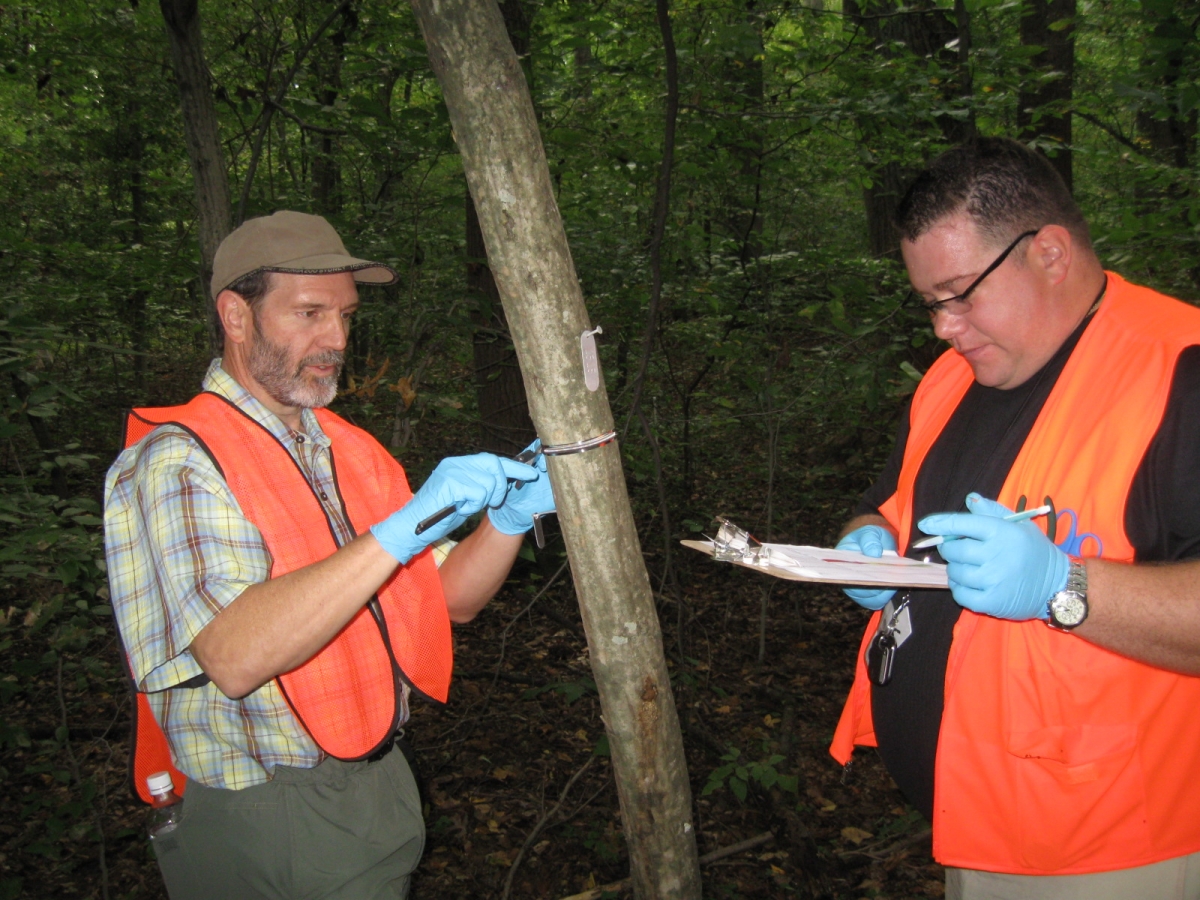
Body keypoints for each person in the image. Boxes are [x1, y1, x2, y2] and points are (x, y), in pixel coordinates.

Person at [104, 210, 555, 899]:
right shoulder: (177, 460)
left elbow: (449, 600)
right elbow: (234, 655)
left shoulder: (345, 448)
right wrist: (404, 527)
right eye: (309, 313)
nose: (336, 340)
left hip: (376, 784)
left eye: (345, 316)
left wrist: (509, 517)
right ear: (235, 315)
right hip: (268, 809)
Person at [830, 138, 1200, 899]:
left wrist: (1062, 586)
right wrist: (860, 544)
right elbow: (885, 501)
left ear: (1051, 254)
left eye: (961, 292)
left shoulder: (1180, 371)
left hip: (1114, 847)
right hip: (977, 823)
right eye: (930, 302)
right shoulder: (951, 380)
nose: (943, 326)